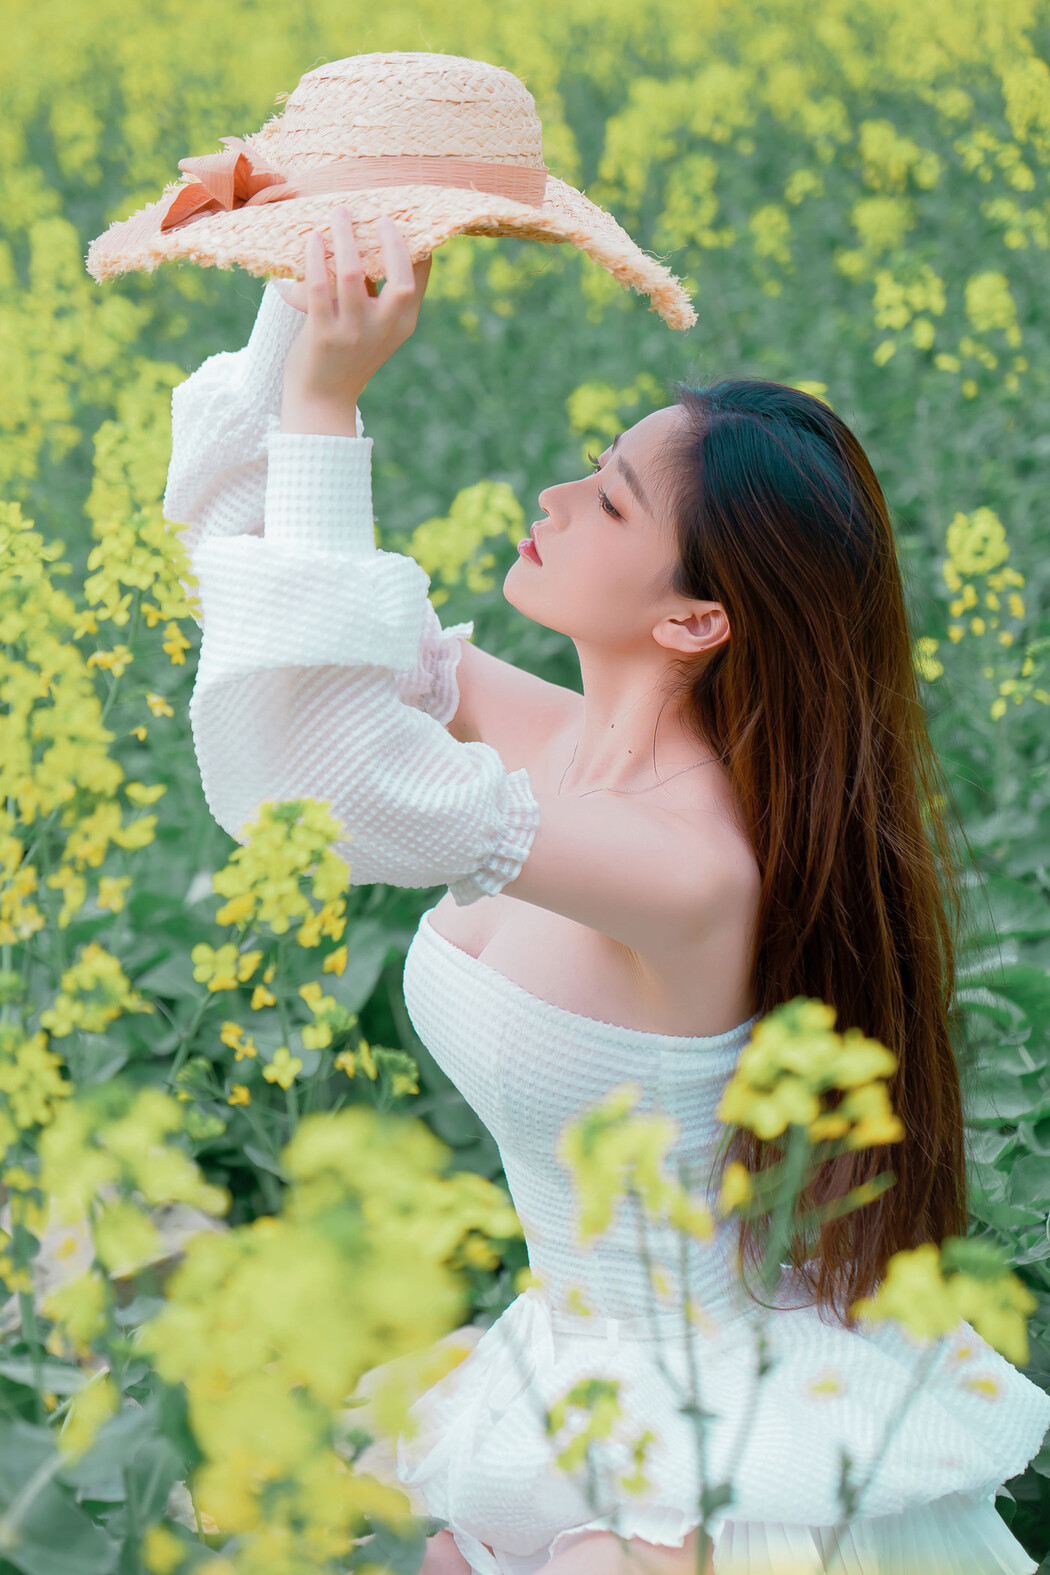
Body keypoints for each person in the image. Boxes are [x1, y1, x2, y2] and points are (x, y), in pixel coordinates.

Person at [166, 206, 1050, 1574]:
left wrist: (335, 407)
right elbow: (265, 618)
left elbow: (322, 777)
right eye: (590, 466)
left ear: (695, 619)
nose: (554, 499)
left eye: (609, 498)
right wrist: (300, 282)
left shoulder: (691, 868)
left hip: (713, 1459)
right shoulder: (564, 746)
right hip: (580, 1379)